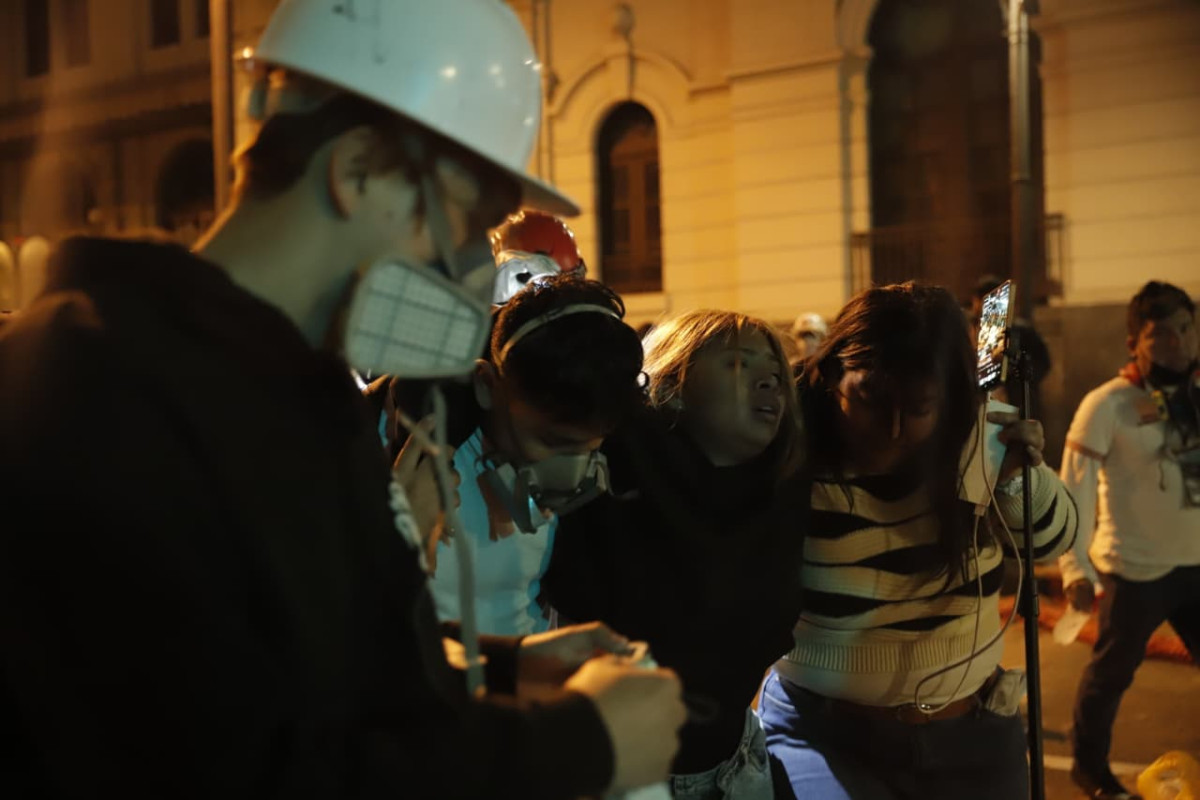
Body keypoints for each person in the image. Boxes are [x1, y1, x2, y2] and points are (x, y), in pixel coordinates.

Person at [0, 1, 685, 797]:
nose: (473, 270)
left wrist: (495, 667)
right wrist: (577, 746)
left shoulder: (298, 389)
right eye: (469, 224)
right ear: (357, 169)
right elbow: (216, 761)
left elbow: (307, 658)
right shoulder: (91, 387)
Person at [758, 282, 1078, 800]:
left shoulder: (977, 437)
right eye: (870, 400)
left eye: (920, 407)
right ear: (835, 369)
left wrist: (1019, 479)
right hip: (823, 735)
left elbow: (1057, 539)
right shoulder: (788, 447)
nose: (893, 426)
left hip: (972, 738)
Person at [544, 310, 810, 800]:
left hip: (739, 765)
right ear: (673, 381)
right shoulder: (609, 475)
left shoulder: (779, 492)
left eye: (775, 373)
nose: (770, 383)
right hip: (622, 778)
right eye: (739, 363)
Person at [424, 274, 644, 634]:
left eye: (590, 448)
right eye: (551, 442)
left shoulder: (611, 480)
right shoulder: (413, 462)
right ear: (486, 386)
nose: (573, 473)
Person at [1058, 281, 1200, 800]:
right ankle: (1090, 770)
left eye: (1185, 329)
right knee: (1110, 676)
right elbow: (1070, 489)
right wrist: (1074, 569)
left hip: (1197, 562)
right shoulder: (1107, 404)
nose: (1178, 343)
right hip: (1134, 569)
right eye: (1160, 333)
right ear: (1133, 343)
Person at [967, 275, 1052, 417]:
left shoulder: (1022, 332)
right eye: (980, 300)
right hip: (979, 408)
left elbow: (1042, 364)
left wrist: (1014, 365)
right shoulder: (968, 330)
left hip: (1013, 405)